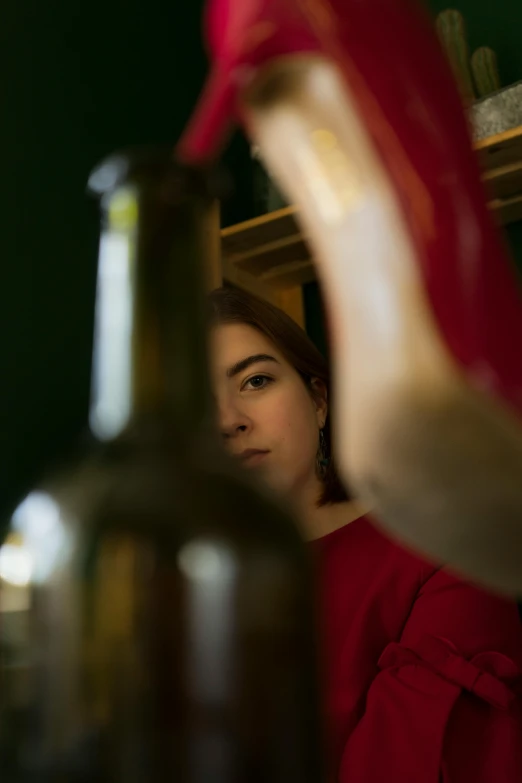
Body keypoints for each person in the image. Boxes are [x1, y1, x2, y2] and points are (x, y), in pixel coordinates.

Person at [208, 285, 522, 783]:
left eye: (256, 380)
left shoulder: (437, 547)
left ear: (318, 401)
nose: (228, 421)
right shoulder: (166, 589)